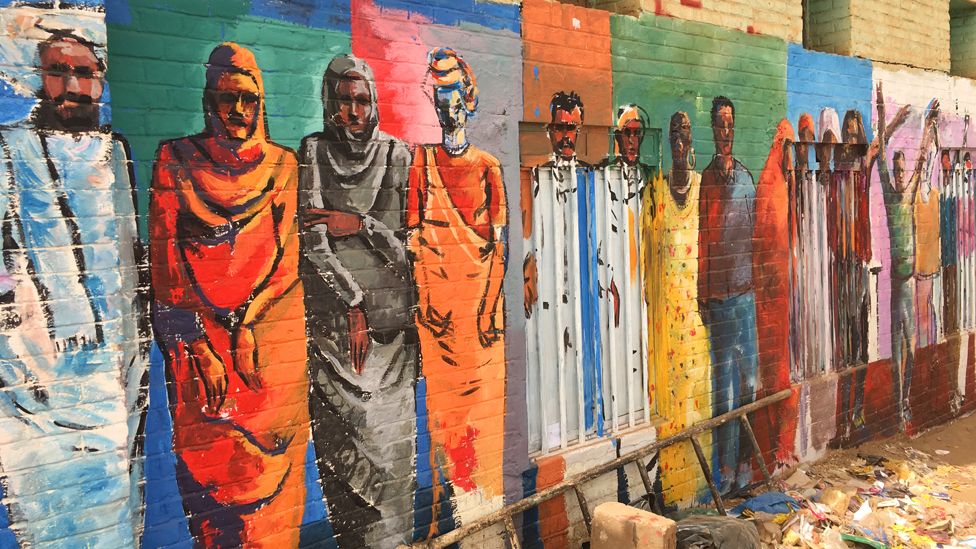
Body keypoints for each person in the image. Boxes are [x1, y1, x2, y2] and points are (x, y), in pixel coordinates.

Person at [149, 43, 309, 546]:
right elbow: (165, 274)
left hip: (266, 362)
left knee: (276, 518)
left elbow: (287, 265)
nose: (238, 111)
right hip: (201, 369)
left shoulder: (284, 166)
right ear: (208, 101)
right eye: (226, 99)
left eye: (248, 99)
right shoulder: (174, 161)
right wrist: (199, 344)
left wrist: (246, 326)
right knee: (214, 514)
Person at [0, 30, 147, 547]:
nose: (72, 86)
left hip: (120, 366)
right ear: (40, 80)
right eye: (58, 72)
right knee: (56, 515)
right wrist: (20, 347)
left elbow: (132, 254)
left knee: (120, 505)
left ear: (100, 81)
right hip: (42, 380)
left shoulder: (116, 151)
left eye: (84, 73)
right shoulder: (9, 149)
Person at [298, 54, 418, 549]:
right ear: (329, 103)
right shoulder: (313, 151)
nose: (353, 111)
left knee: (392, 473)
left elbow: (405, 254)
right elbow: (311, 238)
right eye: (344, 100)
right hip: (335, 342)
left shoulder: (397, 156)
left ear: (374, 104)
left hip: (391, 342)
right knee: (344, 475)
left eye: (362, 100)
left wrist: (359, 224)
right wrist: (351, 301)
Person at [407, 47, 507, 525]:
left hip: (482, 330)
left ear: (469, 98)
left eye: (455, 93)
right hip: (439, 326)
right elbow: (412, 242)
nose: (449, 104)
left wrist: (488, 309)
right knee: (444, 431)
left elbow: (499, 248)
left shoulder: (489, 167)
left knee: (483, 437)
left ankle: (484, 522)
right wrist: (427, 303)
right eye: (440, 94)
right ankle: (449, 522)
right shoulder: (419, 162)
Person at [522, 90, 605, 446]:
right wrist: (528, 262)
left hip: (585, 291)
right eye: (560, 128)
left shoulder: (593, 180)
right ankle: (554, 437)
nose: (566, 135)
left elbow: (602, 237)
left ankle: (586, 430)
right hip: (549, 297)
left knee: (587, 367)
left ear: (581, 129)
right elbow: (526, 230)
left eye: (572, 128)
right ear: (549, 131)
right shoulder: (535, 178)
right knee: (548, 368)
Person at [644, 111, 712, 507]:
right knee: (668, 405)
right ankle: (669, 492)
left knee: (696, 405)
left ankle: (698, 491)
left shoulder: (704, 188)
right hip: (666, 319)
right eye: (674, 133)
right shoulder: (657, 189)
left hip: (695, 319)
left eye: (685, 133)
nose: (680, 140)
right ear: (668, 141)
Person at [698, 96, 758, 493]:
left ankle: (745, 468)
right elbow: (701, 239)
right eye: (719, 125)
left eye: (729, 125)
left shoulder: (747, 179)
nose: (724, 132)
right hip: (719, 301)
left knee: (750, 385)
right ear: (713, 130)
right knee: (725, 394)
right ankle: (724, 476)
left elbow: (754, 232)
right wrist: (704, 295)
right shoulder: (707, 180)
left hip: (744, 297)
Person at [875, 81, 940, 427]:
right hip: (897, 285)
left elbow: (922, 160)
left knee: (910, 347)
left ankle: (905, 402)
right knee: (897, 349)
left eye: (902, 170)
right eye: (897, 170)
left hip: (911, 283)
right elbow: (881, 160)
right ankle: (899, 405)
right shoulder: (888, 193)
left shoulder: (910, 191)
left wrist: (928, 128)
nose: (900, 174)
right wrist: (887, 114)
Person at [751, 119, 799, 468]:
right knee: (771, 367)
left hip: (781, 292)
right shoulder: (768, 185)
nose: (790, 157)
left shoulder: (784, 184)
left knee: (779, 363)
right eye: (787, 149)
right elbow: (763, 243)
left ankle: (778, 447)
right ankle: (771, 448)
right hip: (768, 296)